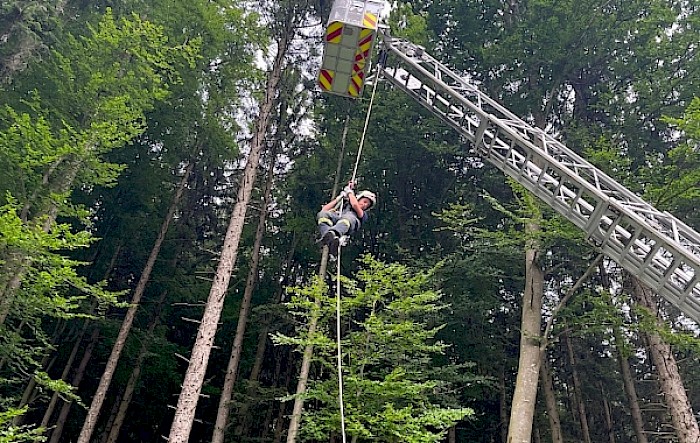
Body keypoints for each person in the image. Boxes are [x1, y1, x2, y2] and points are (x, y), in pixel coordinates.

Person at [317, 181, 376, 255]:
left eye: (367, 205)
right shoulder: (346, 204)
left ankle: (333, 233)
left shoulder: (363, 214)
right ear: (359, 198)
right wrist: (339, 198)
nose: (365, 205)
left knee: (348, 217)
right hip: (338, 218)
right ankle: (329, 237)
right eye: (364, 201)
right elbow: (324, 209)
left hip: (348, 223)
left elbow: (355, 204)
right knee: (322, 215)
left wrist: (349, 192)